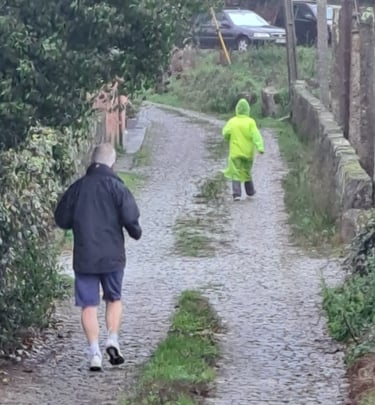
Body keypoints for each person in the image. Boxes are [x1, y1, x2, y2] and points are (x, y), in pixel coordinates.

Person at [54, 143, 142, 371]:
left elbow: (61, 219)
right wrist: (135, 231)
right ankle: (112, 338)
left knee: (88, 304)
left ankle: (94, 353)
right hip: (112, 255)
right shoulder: (117, 186)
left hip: (84, 256)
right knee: (114, 298)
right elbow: (130, 217)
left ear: (91, 161)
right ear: (112, 163)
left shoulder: (78, 188)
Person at [222, 98, 264, 201]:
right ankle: (250, 191)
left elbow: (225, 133)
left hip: (235, 153)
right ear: (248, 110)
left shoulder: (232, 121)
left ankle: (237, 194)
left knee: (235, 172)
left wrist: (228, 138)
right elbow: (256, 135)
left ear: (237, 109)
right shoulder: (251, 122)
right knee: (247, 171)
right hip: (248, 153)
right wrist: (260, 147)